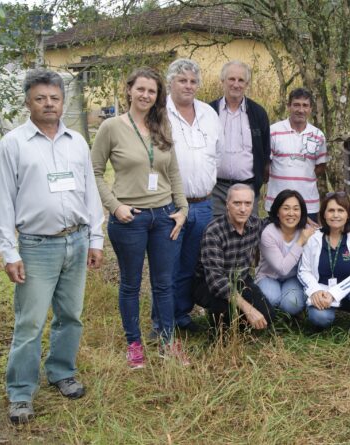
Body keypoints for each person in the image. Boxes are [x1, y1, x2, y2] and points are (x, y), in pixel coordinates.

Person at [0, 69, 104, 424]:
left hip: (77, 238)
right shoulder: (13, 144)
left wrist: (96, 238)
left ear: (63, 101)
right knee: (30, 323)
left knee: (70, 316)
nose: (48, 104)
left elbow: (90, 193)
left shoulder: (77, 142)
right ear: (28, 102)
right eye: (40, 98)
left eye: (54, 98)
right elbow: (2, 202)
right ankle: (21, 393)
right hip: (37, 247)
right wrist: (10, 251)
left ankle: (61, 371)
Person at [91, 67, 189, 369]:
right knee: (131, 284)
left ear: (158, 96)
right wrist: (113, 206)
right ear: (130, 90)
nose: (146, 95)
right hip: (128, 218)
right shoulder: (111, 127)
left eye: (152, 91)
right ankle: (133, 345)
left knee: (163, 284)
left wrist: (182, 209)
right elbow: (93, 171)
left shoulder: (163, 125)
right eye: (141, 89)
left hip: (163, 217)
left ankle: (166, 341)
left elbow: (172, 171)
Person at [163, 58, 223, 334]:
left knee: (190, 264)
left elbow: (217, 153)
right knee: (167, 267)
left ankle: (182, 317)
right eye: (182, 80)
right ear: (170, 82)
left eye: (192, 81)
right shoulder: (158, 113)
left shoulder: (209, 114)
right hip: (170, 205)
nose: (188, 86)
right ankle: (162, 322)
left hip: (203, 204)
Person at [197, 184, 275, 331]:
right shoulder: (214, 231)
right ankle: (218, 322)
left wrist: (304, 222)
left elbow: (277, 221)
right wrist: (248, 309)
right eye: (237, 203)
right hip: (208, 283)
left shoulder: (255, 224)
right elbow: (216, 280)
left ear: (253, 205)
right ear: (227, 205)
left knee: (268, 316)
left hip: (240, 279)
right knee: (226, 315)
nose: (243, 209)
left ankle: (237, 321)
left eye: (247, 203)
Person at [298, 192, 350, 339]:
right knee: (319, 317)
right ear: (324, 214)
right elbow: (304, 270)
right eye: (331, 210)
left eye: (341, 210)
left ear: (348, 214)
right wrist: (315, 291)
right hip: (323, 292)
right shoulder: (314, 237)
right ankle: (320, 323)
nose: (336, 215)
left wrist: (334, 294)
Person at [209, 60, 271, 217]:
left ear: (247, 83)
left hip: (247, 189)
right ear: (222, 81)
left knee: (248, 235)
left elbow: (265, 151)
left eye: (241, 80)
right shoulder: (208, 112)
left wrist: (257, 184)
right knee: (215, 234)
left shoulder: (258, 113)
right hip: (215, 189)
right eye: (231, 79)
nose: (236, 84)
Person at [265, 88, 328, 222]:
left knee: (307, 241)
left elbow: (320, 167)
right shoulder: (273, 131)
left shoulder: (318, 135)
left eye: (305, 105)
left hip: (308, 204)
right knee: (276, 241)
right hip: (277, 202)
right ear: (289, 106)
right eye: (296, 105)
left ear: (311, 108)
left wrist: (303, 177)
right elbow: (266, 166)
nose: (301, 110)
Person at [255, 189, 317, 316]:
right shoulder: (269, 233)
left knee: (291, 304)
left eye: (296, 209)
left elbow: (330, 231)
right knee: (270, 299)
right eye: (286, 208)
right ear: (277, 212)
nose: (291, 213)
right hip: (268, 276)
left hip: (294, 278)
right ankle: (271, 315)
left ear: (301, 212)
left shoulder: (308, 231)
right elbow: (282, 269)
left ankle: (290, 313)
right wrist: (300, 242)